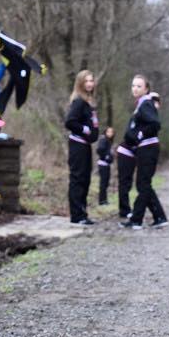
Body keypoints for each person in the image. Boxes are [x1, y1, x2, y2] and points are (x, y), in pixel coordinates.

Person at [119, 76, 168, 230]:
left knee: (143, 184)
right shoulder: (141, 104)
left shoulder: (146, 103)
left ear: (146, 89)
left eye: (139, 86)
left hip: (148, 148)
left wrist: (139, 134)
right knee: (144, 184)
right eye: (133, 85)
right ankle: (159, 217)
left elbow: (155, 123)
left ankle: (137, 219)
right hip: (145, 148)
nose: (135, 88)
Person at [64, 69, 99, 225]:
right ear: (80, 83)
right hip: (77, 145)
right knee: (77, 179)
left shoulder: (88, 102)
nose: (90, 83)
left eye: (92, 80)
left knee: (85, 179)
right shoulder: (78, 101)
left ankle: (82, 214)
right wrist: (85, 130)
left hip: (85, 146)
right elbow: (70, 122)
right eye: (87, 81)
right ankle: (76, 215)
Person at [96, 127, 115, 205]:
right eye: (108, 132)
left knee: (106, 183)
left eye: (112, 132)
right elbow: (99, 150)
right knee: (103, 183)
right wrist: (106, 157)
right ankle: (102, 201)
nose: (110, 133)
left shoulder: (109, 141)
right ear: (105, 132)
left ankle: (104, 200)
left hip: (107, 165)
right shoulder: (103, 139)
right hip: (103, 164)